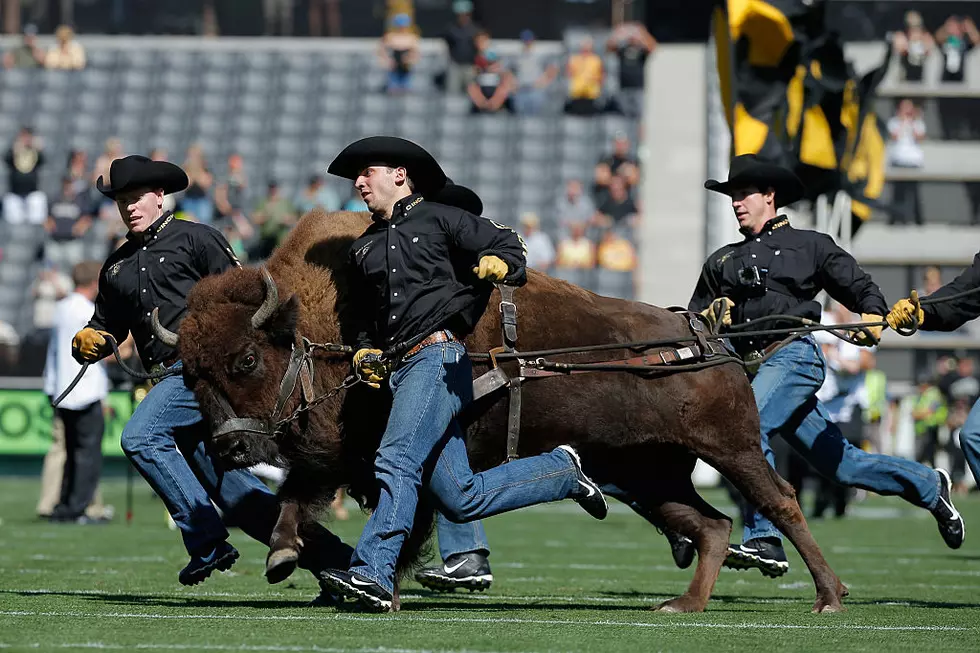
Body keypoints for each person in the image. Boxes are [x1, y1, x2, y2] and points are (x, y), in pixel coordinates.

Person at [319, 136, 607, 612]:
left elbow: (508, 243)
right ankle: (560, 471)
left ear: (399, 174)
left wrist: (503, 263)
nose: (359, 182)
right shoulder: (363, 247)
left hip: (437, 359)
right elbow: (360, 316)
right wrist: (365, 348)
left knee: (395, 461)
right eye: (357, 175)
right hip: (397, 371)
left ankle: (371, 572)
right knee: (461, 497)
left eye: (368, 172)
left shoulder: (441, 217)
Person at [70, 155, 351, 596]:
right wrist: (91, 337)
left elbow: (246, 296)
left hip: (203, 374)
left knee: (140, 437)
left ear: (160, 196)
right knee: (240, 498)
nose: (130, 207)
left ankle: (204, 539)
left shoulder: (196, 239)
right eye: (122, 200)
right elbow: (107, 325)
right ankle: (340, 565)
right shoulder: (117, 267)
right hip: (165, 380)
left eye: (138, 198)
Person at [689, 154, 964, 577]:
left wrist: (873, 318)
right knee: (843, 465)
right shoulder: (721, 261)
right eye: (732, 196)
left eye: (744, 194)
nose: (736, 203)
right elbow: (695, 322)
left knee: (747, 430)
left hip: (794, 355)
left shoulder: (811, 245)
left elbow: (861, 288)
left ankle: (764, 537)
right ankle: (930, 485)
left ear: (769, 196)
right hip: (748, 371)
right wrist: (710, 318)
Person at [887, 256, 980, 489]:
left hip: (952, 389)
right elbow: (963, 295)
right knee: (972, 436)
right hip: (934, 393)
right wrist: (922, 312)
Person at [43, 261, 111, 524]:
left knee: (71, 453)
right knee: (87, 454)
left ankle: (66, 504)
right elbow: (105, 349)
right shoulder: (86, 311)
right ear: (94, 283)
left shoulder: (61, 309)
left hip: (61, 388)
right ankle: (78, 509)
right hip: (85, 391)